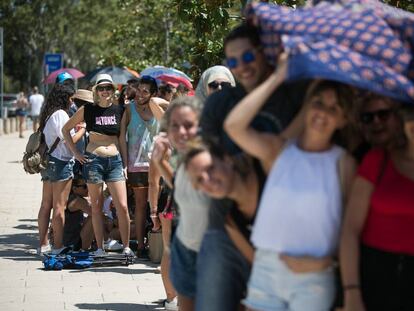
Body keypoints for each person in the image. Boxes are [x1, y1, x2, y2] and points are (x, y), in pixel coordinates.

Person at [224, 52, 356, 310]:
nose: (322, 112)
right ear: (307, 106)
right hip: (266, 269)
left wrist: (328, 262)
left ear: (343, 119)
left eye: (334, 108)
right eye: (318, 102)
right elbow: (234, 126)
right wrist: (278, 76)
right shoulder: (279, 151)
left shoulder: (344, 163)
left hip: (314, 275)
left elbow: (350, 226)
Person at [196, 23, 308, 311]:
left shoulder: (292, 96)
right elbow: (209, 163)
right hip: (227, 227)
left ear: (265, 53)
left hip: (284, 234)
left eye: (247, 57)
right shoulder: (220, 104)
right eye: (232, 62)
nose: (241, 67)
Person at [340, 104, 414, 311]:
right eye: (411, 113)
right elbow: (350, 230)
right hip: (372, 276)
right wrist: (351, 292)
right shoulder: (378, 160)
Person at [62, 73, 133, 257]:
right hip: (93, 160)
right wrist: (76, 153)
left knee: (123, 206)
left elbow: (122, 140)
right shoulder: (88, 110)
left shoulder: (121, 111)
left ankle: (126, 247)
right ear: (96, 91)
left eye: (108, 88)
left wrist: (125, 165)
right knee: (96, 206)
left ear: (113, 90)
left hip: (115, 160)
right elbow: (66, 129)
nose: (104, 91)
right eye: (101, 88)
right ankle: (100, 248)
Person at [152, 97, 211, 311]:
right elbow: (180, 186)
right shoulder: (189, 158)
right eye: (175, 126)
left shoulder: (205, 160)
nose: (181, 132)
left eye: (188, 125)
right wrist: (160, 162)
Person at [119, 75, 164, 257]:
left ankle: (157, 241)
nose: (140, 94)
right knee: (140, 206)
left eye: (145, 91)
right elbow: (121, 136)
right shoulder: (129, 109)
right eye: (139, 89)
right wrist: (124, 162)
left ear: (153, 94)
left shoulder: (157, 107)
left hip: (157, 165)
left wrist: (153, 100)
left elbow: (171, 106)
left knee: (157, 205)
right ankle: (139, 246)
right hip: (135, 165)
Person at [37, 83, 85, 255]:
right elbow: (68, 139)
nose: (72, 103)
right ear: (65, 98)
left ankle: (42, 244)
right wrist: (83, 128)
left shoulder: (49, 114)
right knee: (59, 206)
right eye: (71, 99)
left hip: (49, 162)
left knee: (45, 205)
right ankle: (58, 246)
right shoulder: (61, 115)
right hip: (62, 162)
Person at [353, 93, 404, 162]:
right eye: (367, 117)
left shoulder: (410, 153)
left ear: (398, 118)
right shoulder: (356, 159)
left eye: (383, 114)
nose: (376, 121)